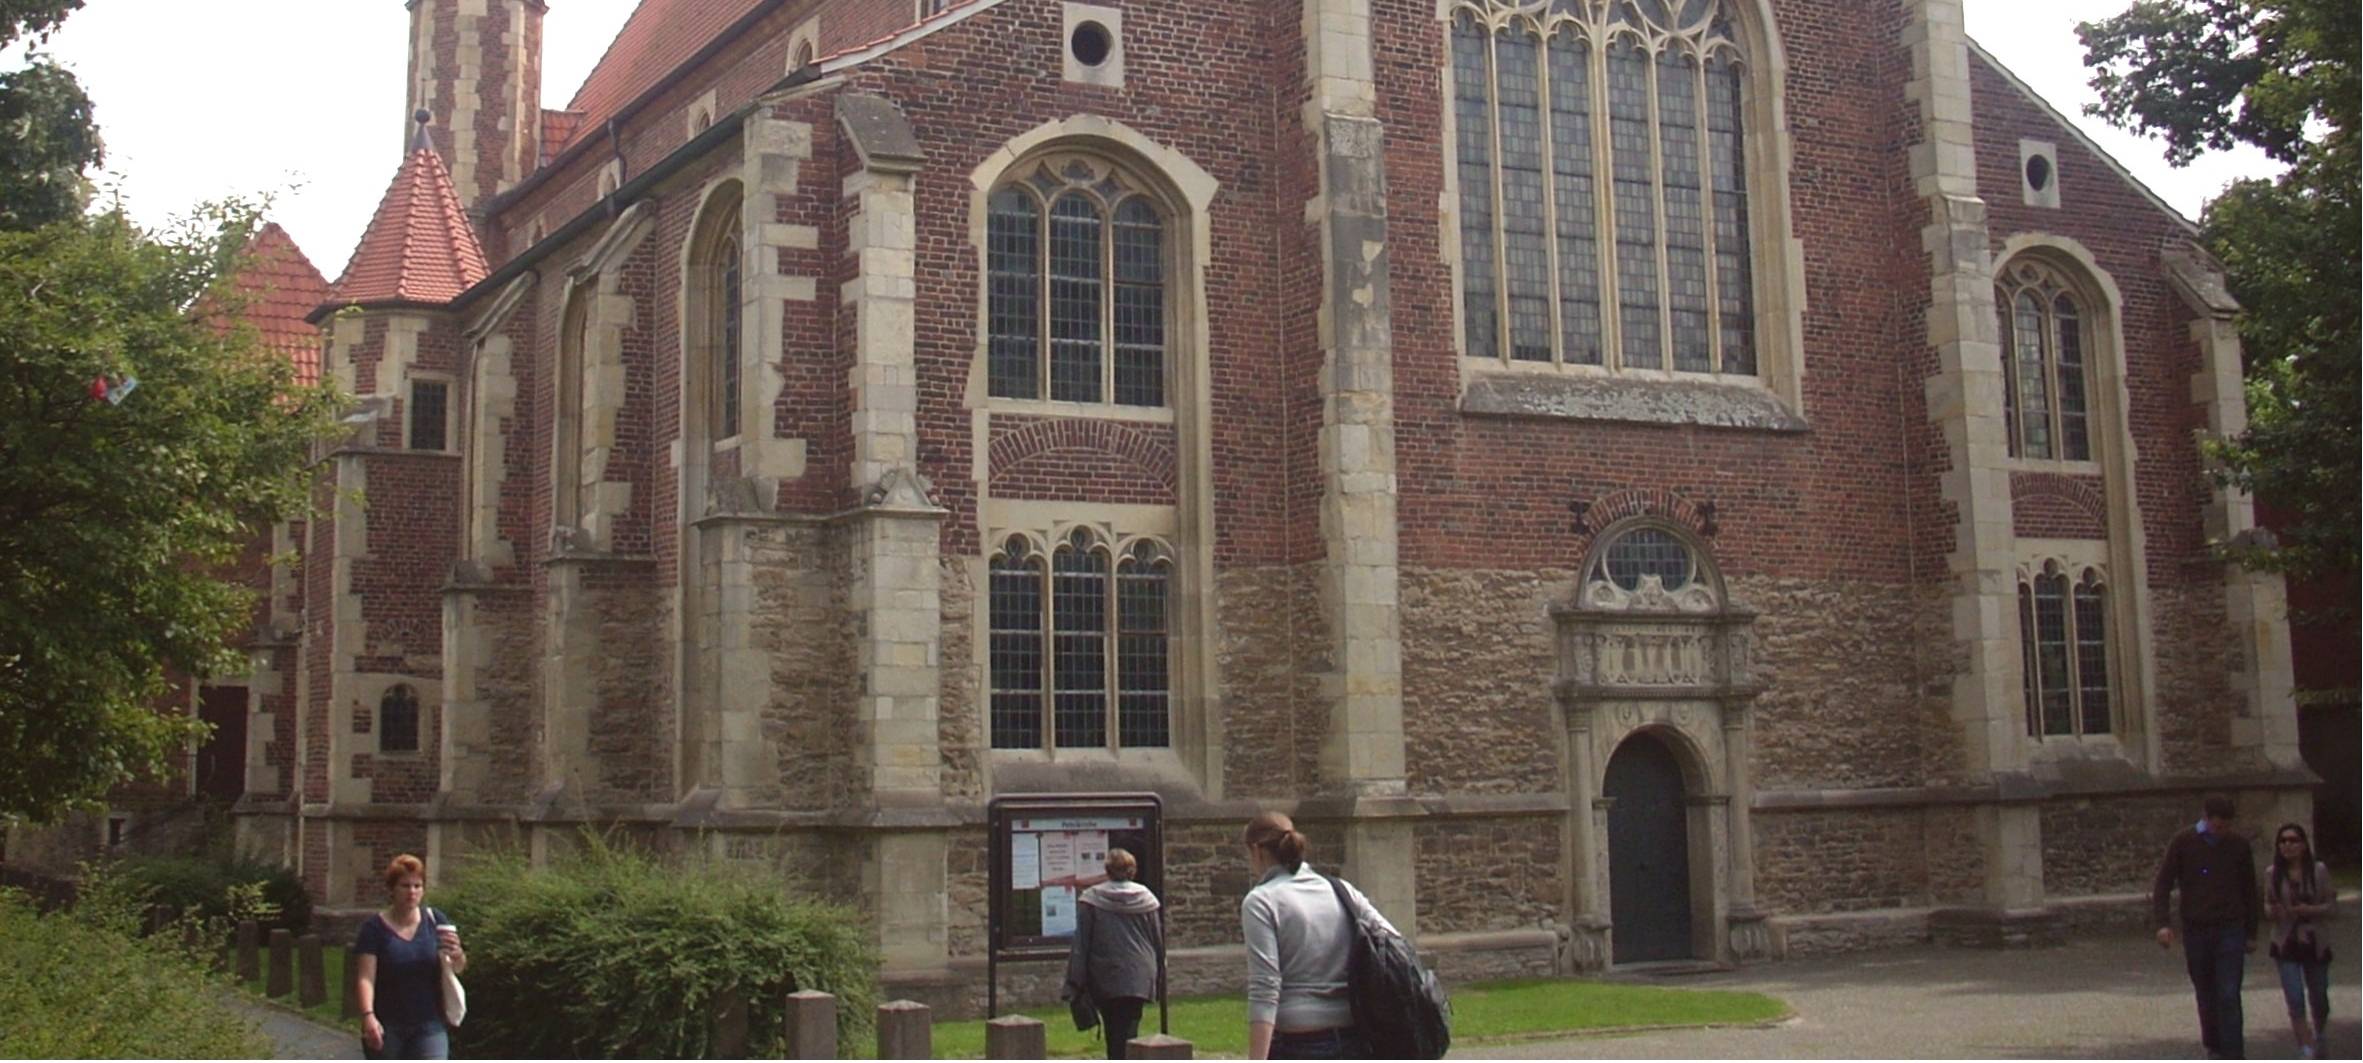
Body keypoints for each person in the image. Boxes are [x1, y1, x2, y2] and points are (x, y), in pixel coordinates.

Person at [1239, 811, 1395, 1060]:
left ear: (1256, 851)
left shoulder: (1261, 902)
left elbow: (1265, 986)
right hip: (1356, 1038)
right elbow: (1392, 942)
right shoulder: (1342, 890)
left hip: (1298, 1041)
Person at [2153, 795, 2262, 1060]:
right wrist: (2163, 923)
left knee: (2228, 992)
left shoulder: (2238, 846)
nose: (2221, 832)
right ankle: (2214, 1044)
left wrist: (2251, 932)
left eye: (2225, 827)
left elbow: (2250, 889)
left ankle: (2233, 1053)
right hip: (2196, 928)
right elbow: (2164, 883)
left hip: (2230, 928)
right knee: (2205, 990)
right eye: (2217, 826)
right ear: (2206, 819)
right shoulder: (2184, 842)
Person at [354, 853, 466, 1060]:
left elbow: (457, 967)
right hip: (388, 1026)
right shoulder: (373, 929)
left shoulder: (435, 920)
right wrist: (368, 1016)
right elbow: (365, 978)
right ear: (392, 889)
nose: (412, 892)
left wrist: (457, 954)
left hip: (430, 1024)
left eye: (417, 886)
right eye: (405, 886)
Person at [1063, 847, 1164, 1059]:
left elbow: (1082, 944)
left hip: (1105, 975)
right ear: (1132, 870)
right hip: (1139, 974)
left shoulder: (1092, 900)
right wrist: (1159, 976)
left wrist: (1074, 982)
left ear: (1108, 870)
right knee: (1130, 1025)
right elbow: (1157, 940)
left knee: (1113, 1028)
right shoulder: (1146, 899)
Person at [2266, 823, 2335, 1059]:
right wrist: (2273, 911)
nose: (2288, 845)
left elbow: (2332, 905)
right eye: (2283, 841)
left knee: (2319, 995)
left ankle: (2320, 1032)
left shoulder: (2319, 870)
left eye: (2293, 840)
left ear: (2304, 844)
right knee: (2294, 997)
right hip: (2286, 941)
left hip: (2315, 941)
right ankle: (2305, 1047)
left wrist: (2311, 909)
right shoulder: (2272, 873)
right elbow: (2267, 904)